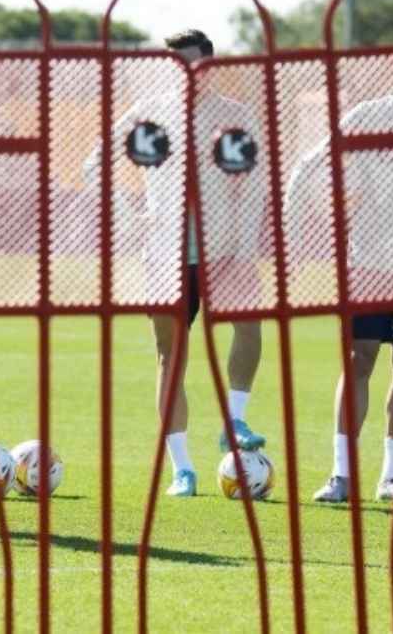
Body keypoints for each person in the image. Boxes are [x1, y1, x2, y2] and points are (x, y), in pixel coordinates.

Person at [93, 29, 267, 498]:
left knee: (250, 328)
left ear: (210, 64)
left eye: (194, 63)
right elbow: (97, 163)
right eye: (177, 64)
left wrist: (246, 243)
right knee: (171, 357)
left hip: (228, 250)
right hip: (167, 255)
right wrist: (132, 215)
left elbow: (256, 184)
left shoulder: (237, 115)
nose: (187, 72)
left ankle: (234, 419)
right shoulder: (150, 112)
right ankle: (182, 469)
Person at [294, 25, 393, 505]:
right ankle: (341, 475)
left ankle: (392, 479)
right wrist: (303, 220)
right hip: (369, 263)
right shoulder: (368, 116)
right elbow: (310, 165)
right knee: (359, 358)